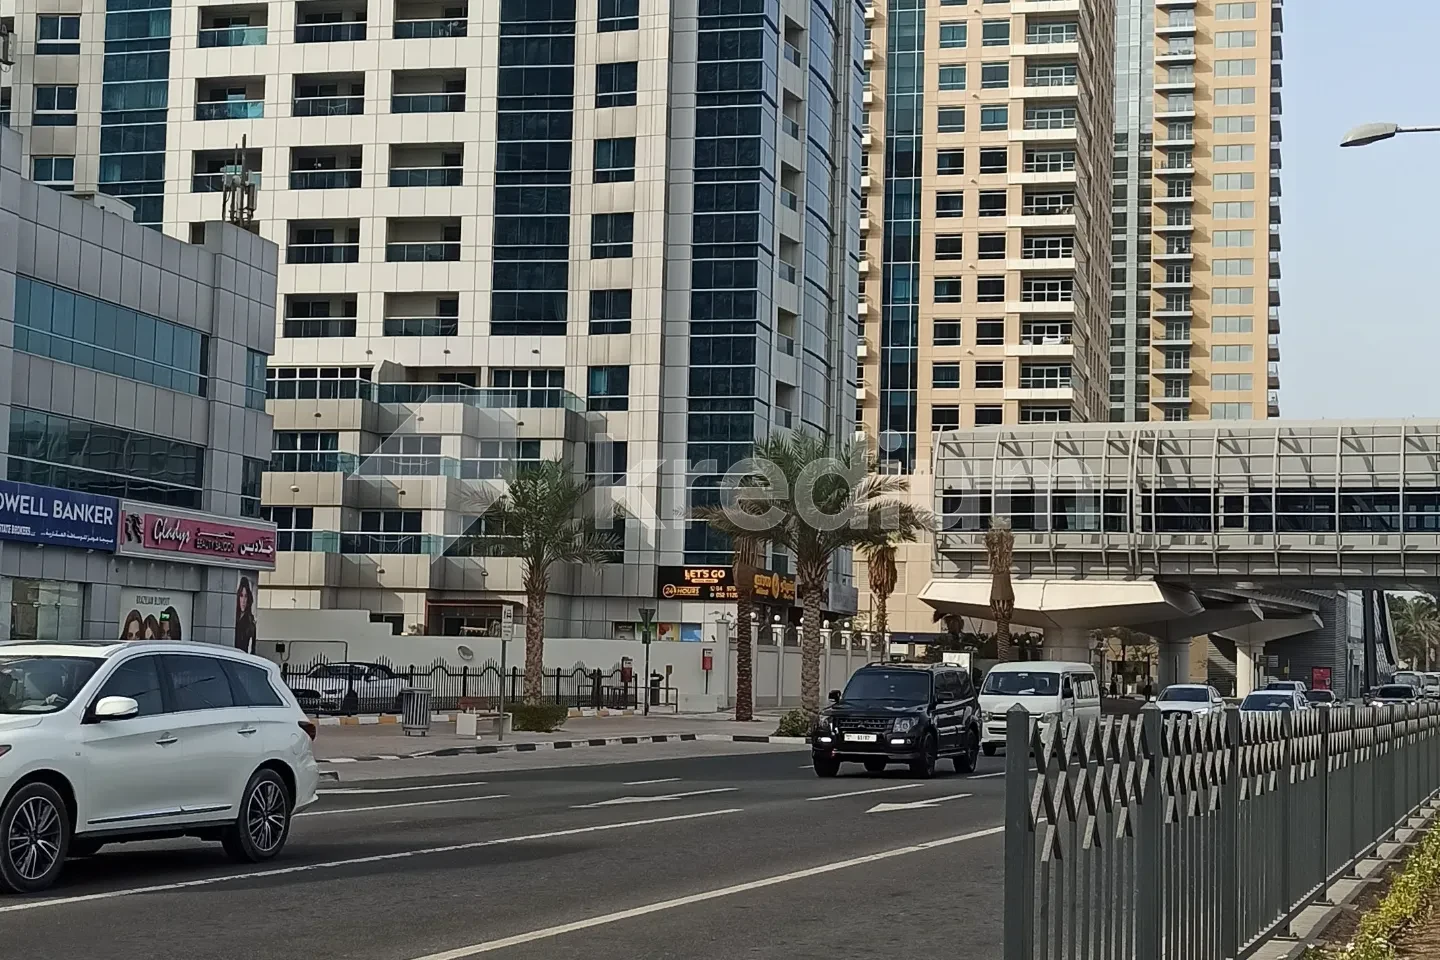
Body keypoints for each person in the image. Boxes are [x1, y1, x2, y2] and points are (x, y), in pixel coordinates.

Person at [234, 577, 258, 653]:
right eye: (241, 596)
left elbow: (252, 647)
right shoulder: (233, 618)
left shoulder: (250, 621)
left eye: (246, 596)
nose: (243, 600)